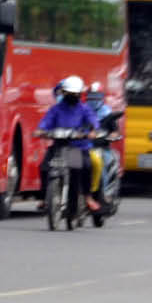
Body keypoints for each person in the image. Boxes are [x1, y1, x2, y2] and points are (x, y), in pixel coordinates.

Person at [38, 75, 103, 215]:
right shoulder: (56, 109)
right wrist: (41, 130)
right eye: (68, 93)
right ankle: (44, 198)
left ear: (79, 94)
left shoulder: (84, 109)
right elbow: (45, 122)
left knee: (83, 168)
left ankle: (87, 197)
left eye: (74, 94)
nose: (71, 96)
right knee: (44, 167)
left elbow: (93, 121)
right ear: (63, 93)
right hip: (59, 146)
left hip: (76, 148)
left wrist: (92, 130)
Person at [82, 82, 121, 201]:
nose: (93, 100)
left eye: (96, 97)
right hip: (83, 147)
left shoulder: (107, 113)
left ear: (102, 97)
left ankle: (105, 191)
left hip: (101, 147)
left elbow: (115, 131)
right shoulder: (82, 112)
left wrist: (111, 136)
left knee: (103, 164)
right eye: (91, 97)